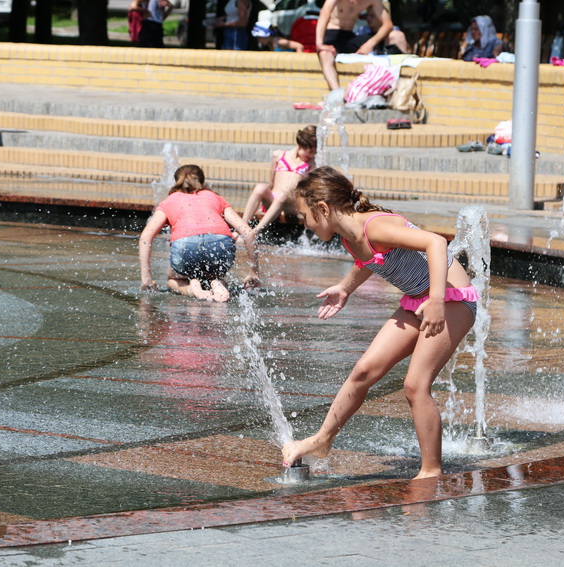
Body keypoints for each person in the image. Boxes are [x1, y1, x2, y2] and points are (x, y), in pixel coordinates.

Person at [281, 166, 477, 478]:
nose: (303, 224)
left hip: (452, 298)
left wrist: (438, 300)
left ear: (322, 208)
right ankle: (321, 441)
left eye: (304, 215)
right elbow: (369, 260)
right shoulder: (350, 237)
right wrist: (345, 288)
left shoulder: (374, 227)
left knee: (415, 384)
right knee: (362, 371)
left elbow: (436, 243)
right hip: (417, 299)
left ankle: (431, 471)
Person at [139, 165, 260, 302]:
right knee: (216, 274)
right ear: (201, 181)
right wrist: (253, 272)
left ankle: (191, 288)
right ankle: (217, 283)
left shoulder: (168, 201)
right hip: (220, 244)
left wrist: (146, 278)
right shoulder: (215, 197)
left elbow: (146, 237)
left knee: (173, 279)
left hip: (185, 246)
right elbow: (248, 233)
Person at [241, 126, 317, 234]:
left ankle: (254, 232)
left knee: (284, 194)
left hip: (292, 205)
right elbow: (271, 183)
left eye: (314, 153)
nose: (311, 155)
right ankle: (242, 228)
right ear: (301, 145)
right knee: (260, 187)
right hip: (274, 200)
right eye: (309, 152)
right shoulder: (279, 155)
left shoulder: (312, 165)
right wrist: (262, 206)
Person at [315, 0, 393, 90]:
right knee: (324, 54)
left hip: (349, 36)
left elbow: (388, 24)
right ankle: (337, 94)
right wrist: (319, 43)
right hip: (332, 34)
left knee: (394, 37)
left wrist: (370, 43)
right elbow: (325, 11)